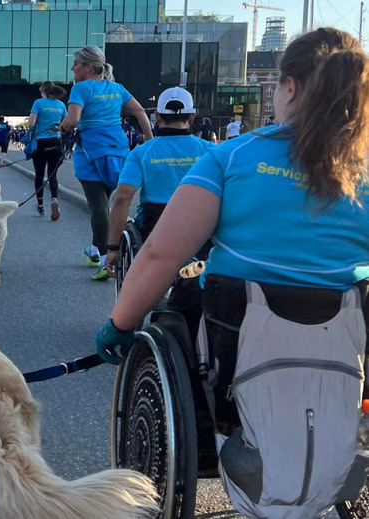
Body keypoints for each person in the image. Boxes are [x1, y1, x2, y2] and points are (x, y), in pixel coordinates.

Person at [95, 29, 369, 518]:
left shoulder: (233, 158)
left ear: (288, 88)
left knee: (183, 302)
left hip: (236, 351)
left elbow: (160, 254)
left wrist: (119, 324)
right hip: (347, 354)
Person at [61, 46, 154, 280]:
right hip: (118, 149)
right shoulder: (117, 89)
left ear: (88, 67)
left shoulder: (80, 88)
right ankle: (95, 249)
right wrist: (150, 141)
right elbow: (140, 111)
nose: (72, 68)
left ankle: (105, 257)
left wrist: (63, 126)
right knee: (107, 201)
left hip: (90, 150)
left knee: (98, 206)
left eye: (76, 64)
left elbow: (73, 120)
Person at [105, 87, 215, 273]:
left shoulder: (141, 152)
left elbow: (122, 198)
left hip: (154, 223)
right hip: (199, 223)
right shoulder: (210, 151)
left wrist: (113, 247)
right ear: (191, 117)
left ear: (157, 117)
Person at [28, 81, 68, 220]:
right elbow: (66, 124)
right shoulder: (61, 105)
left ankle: (40, 206)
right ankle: (54, 200)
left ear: (43, 91)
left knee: (39, 175)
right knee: (52, 175)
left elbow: (31, 124)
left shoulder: (38, 103)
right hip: (55, 143)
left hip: (40, 142)